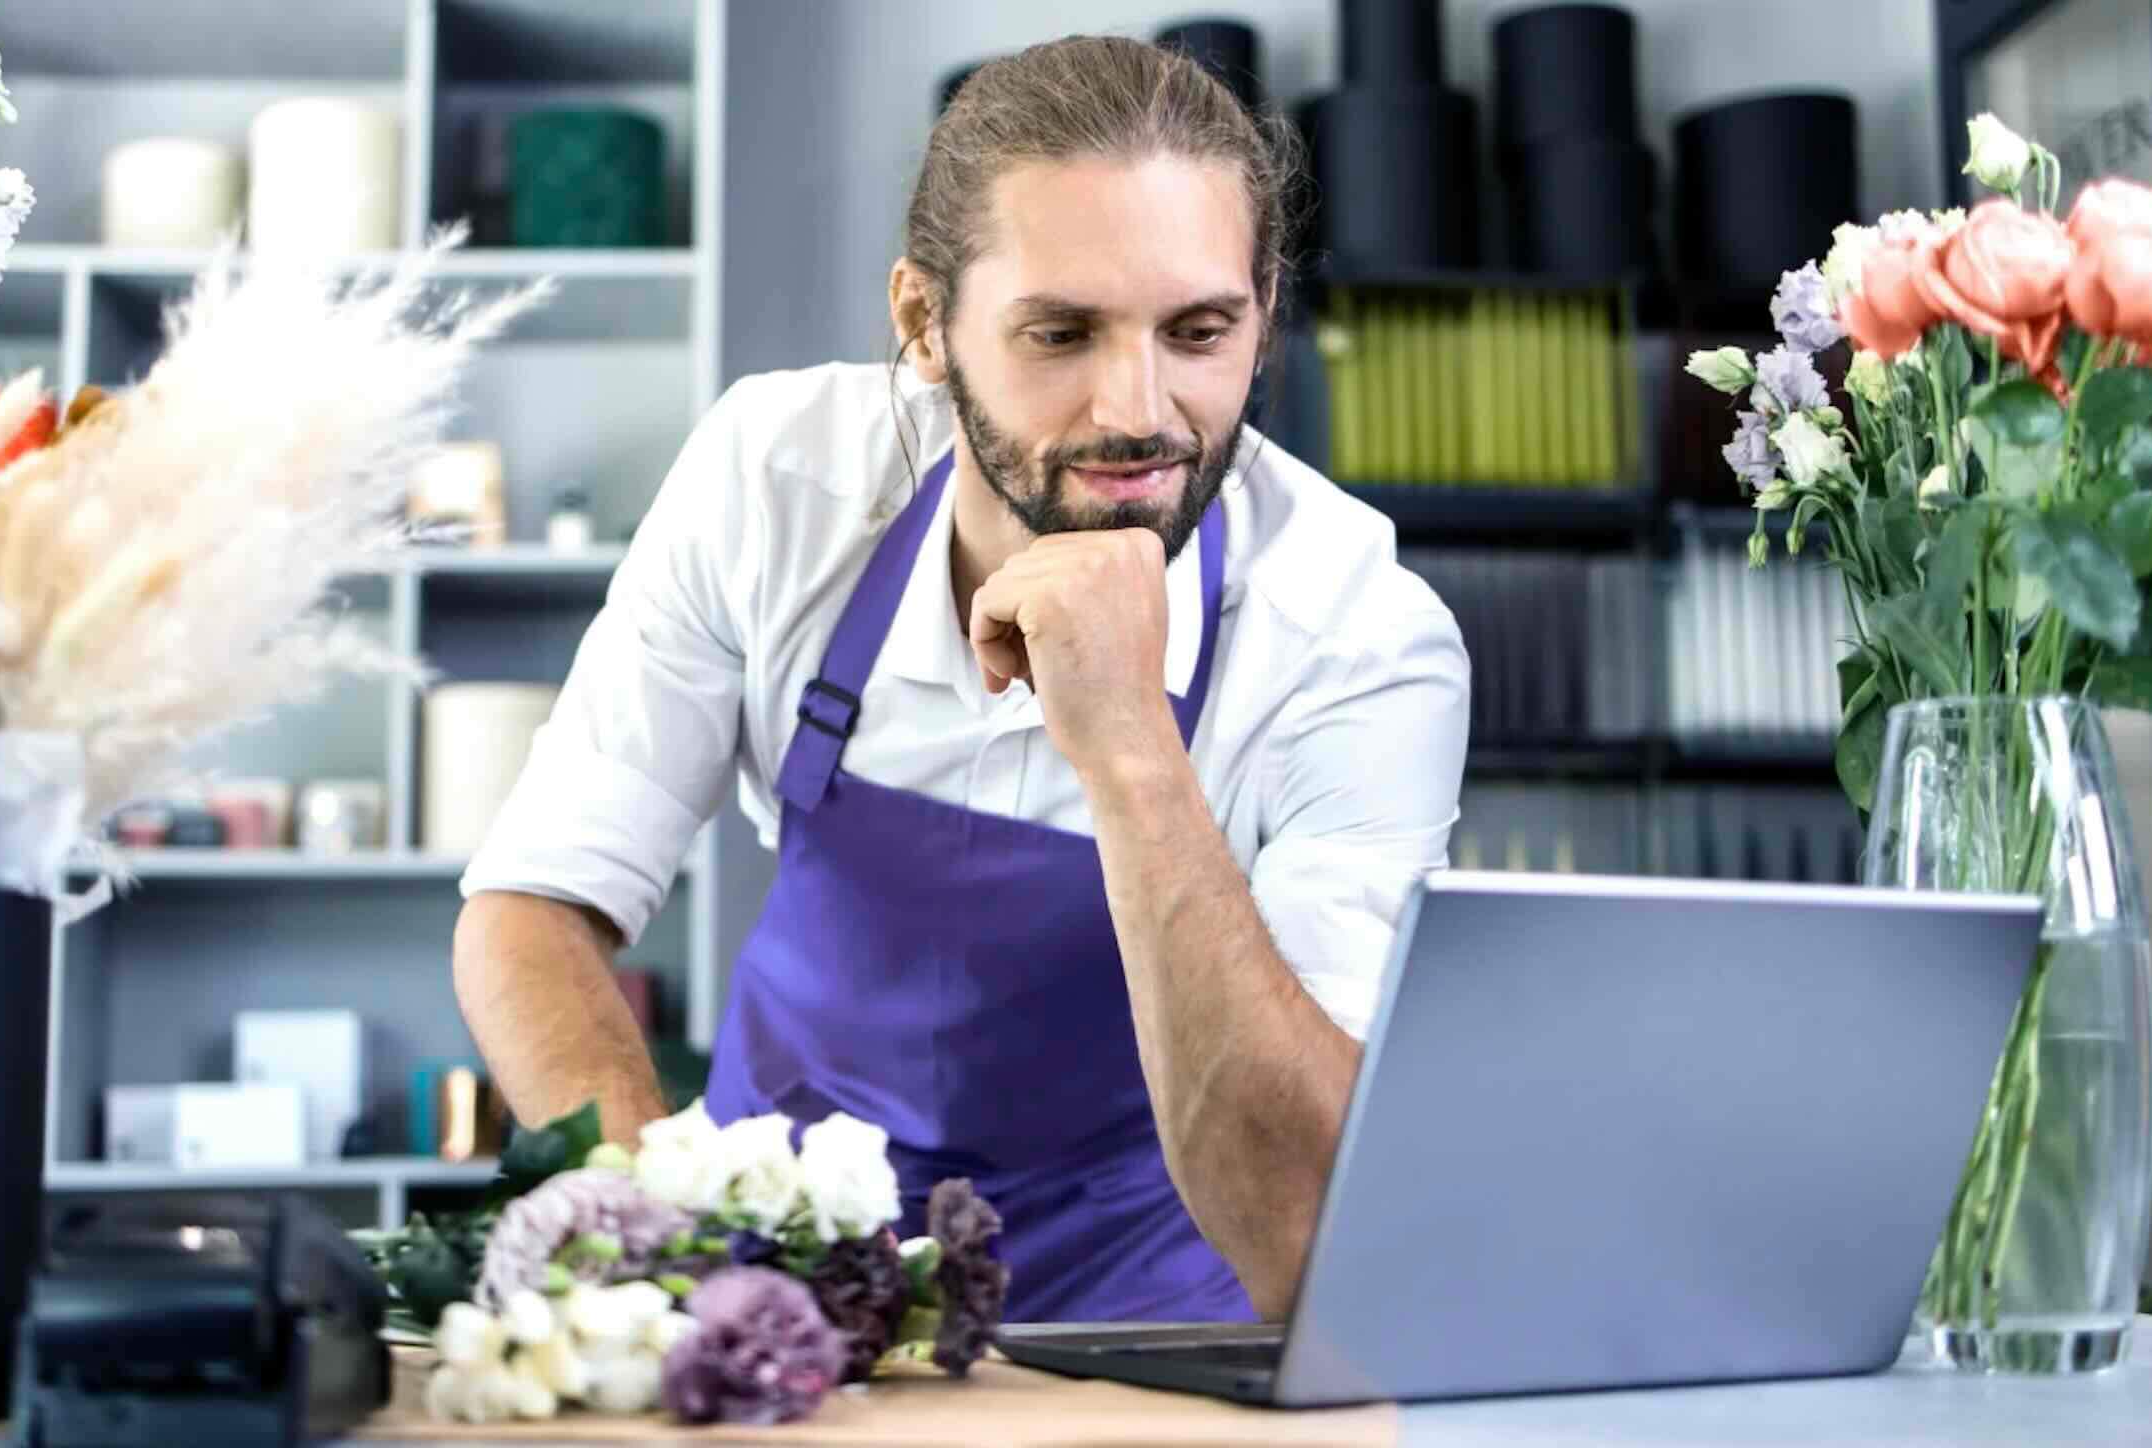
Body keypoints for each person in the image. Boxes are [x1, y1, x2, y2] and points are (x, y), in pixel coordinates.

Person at [452, 35, 1468, 1324]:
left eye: (1199, 331)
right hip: (782, 1302)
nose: (1138, 410)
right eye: (1061, 333)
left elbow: (1311, 1222)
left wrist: (1130, 749)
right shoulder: (779, 484)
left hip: (1153, 1338)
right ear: (924, 323)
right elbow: (532, 912)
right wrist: (665, 1261)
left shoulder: (1357, 638)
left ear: (1263, 314)